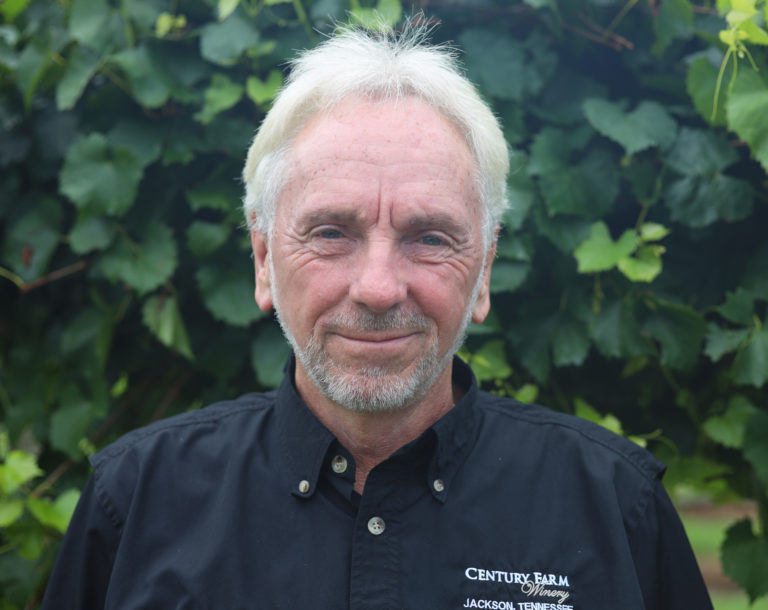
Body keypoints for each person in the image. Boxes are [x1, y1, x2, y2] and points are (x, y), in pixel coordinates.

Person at [42, 23, 713, 610]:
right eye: (331, 232)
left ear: (484, 270)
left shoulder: (617, 509)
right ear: (264, 259)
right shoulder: (133, 505)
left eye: (430, 238)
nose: (378, 289)